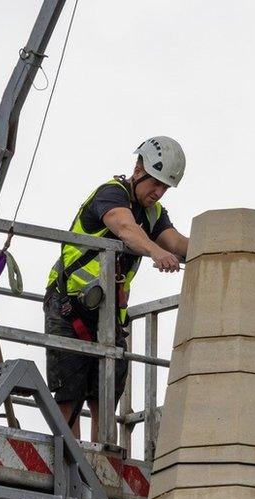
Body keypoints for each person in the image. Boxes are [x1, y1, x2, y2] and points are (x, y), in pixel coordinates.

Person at [44, 136, 190, 441]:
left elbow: (176, 243)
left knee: (106, 389)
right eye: (156, 183)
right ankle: (69, 461)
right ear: (139, 170)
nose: (159, 192)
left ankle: (100, 462)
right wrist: (155, 251)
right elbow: (124, 228)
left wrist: (217, 248)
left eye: (165, 187)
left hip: (108, 314)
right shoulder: (111, 194)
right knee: (69, 390)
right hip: (69, 304)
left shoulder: (153, 213)